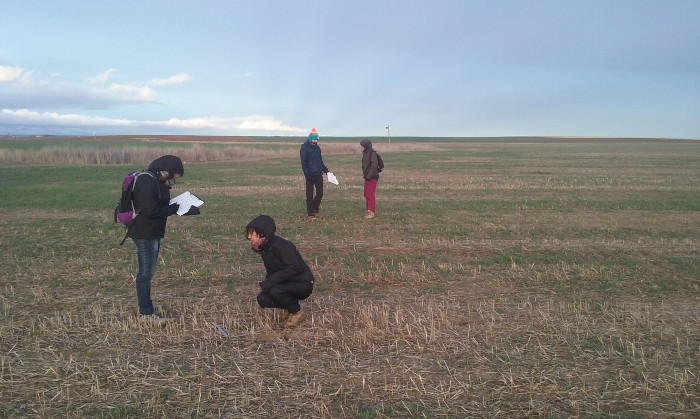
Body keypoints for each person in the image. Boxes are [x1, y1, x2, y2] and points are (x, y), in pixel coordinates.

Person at [128, 155, 185, 326]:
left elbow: (157, 204)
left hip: (152, 231)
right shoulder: (147, 181)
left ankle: (147, 308)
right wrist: (171, 209)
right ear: (166, 170)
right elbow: (151, 209)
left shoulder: (157, 181)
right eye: (174, 175)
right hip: (144, 232)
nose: (174, 179)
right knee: (145, 273)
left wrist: (172, 207)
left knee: (148, 272)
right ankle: (145, 313)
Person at [246, 215, 315, 328]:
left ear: (262, 233)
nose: (249, 237)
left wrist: (270, 282)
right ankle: (286, 308)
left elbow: (293, 268)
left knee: (275, 291)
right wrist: (267, 284)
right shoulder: (265, 248)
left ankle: (297, 313)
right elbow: (272, 271)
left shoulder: (281, 245)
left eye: (252, 233)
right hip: (285, 283)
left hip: (302, 283)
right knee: (263, 299)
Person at [300, 128, 329, 220]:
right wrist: (307, 174)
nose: (316, 141)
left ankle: (315, 209)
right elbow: (304, 163)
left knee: (320, 193)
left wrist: (326, 171)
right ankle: (310, 213)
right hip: (309, 175)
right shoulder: (304, 148)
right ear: (310, 138)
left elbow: (320, 161)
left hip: (318, 174)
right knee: (309, 195)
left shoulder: (317, 148)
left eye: (317, 139)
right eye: (314, 139)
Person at [360, 138, 380, 219]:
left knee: (370, 194)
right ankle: (368, 211)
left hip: (372, 177)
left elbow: (374, 165)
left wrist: (369, 176)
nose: (361, 147)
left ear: (365, 146)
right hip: (367, 177)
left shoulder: (372, 153)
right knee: (366, 193)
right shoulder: (366, 153)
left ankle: (371, 213)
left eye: (362, 146)